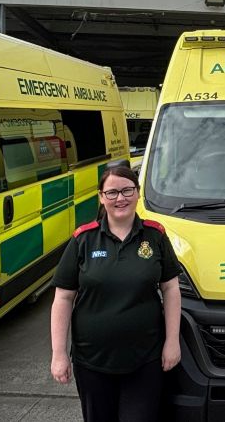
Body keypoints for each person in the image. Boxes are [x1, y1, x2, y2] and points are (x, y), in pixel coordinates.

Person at [50, 165, 182, 422]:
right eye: (112, 192)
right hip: (92, 361)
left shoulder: (155, 236)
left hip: (146, 358)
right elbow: (63, 298)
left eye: (127, 190)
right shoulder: (83, 239)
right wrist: (59, 354)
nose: (120, 198)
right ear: (101, 197)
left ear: (138, 193)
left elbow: (171, 289)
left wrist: (172, 341)